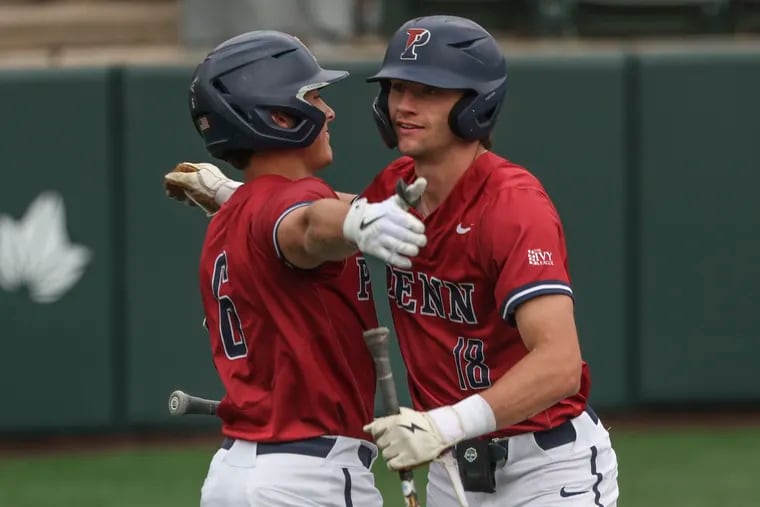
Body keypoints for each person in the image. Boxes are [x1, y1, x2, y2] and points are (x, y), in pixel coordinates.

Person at [167, 16, 620, 507]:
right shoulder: (395, 187)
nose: (404, 105)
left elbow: (560, 365)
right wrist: (243, 200)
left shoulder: (513, 204)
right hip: (451, 468)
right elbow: (330, 222)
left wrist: (445, 423)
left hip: (543, 466)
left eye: (427, 91)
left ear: (474, 102)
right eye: (397, 88)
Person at [179, 29, 428, 507]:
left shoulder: (230, 212)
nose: (328, 111)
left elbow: (300, 217)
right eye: (313, 96)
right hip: (305, 479)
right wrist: (357, 221)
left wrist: (361, 214)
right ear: (277, 114)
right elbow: (309, 226)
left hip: (240, 471)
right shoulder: (296, 204)